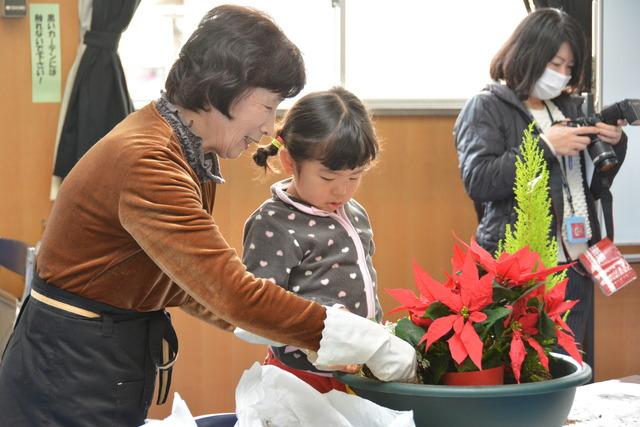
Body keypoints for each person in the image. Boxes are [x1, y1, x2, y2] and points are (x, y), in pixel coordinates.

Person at [0, 6, 416, 426]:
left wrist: (299, 332)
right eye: (269, 106)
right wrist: (359, 340)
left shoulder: (183, 149)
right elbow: (231, 292)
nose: (272, 127)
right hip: (70, 368)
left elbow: (197, 285)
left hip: (104, 356)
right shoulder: (149, 160)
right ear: (224, 88)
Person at [453, 8, 627, 376]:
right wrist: (545, 146)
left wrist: (614, 143)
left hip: (579, 262)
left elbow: (594, 183)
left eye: (569, 67)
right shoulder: (485, 107)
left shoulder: (569, 106)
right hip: (524, 269)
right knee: (529, 372)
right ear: (528, 54)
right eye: (555, 63)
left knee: (576, 371)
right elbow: (480, 180)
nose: (562, 75)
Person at [242, 87, 381, 393]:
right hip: (299, 376)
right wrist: (327, 319)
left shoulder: (353, 212)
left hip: (355, 372)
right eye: (328, 178)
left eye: (355, 177)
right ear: (290, 162)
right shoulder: (273, 223)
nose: (341, 191)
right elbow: (260, 308)